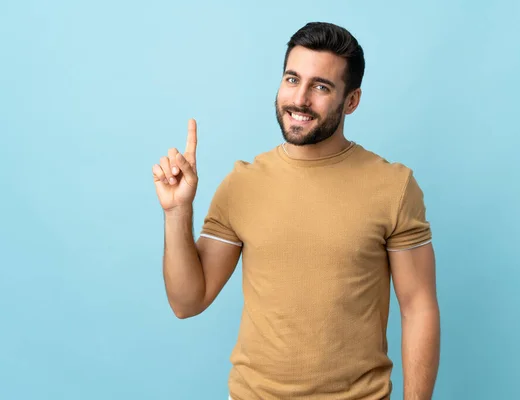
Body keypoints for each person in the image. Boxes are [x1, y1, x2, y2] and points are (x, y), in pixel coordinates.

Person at [152, 21, 440, 400]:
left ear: (351, 100)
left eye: (321, 87)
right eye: (292, 79)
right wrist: (177, 212)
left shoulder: (394, 187)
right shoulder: (242, 184)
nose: (300, 99)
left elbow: (418, 308)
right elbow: (187, 302)